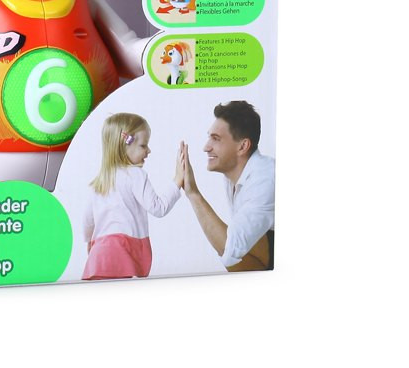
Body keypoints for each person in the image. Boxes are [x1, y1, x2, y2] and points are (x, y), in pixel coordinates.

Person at [82, 112, 183, 280]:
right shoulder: (135, 175)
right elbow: (158, 208)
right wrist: (177, 181)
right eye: (143, 146)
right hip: (123, 251)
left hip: (99, 253)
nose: (148, 150)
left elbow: (87, 220)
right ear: (125, 145)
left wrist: (89, 242)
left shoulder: (99, 181)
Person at [181, 100, 275, 271]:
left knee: (233, 246)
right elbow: (235, 254)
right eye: (209, 137)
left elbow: (230, 250)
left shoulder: (264, 179)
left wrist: (193, 194)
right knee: (239, 243)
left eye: (215, 139)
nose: (206, 147)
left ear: (243, 146)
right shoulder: (233, 175)